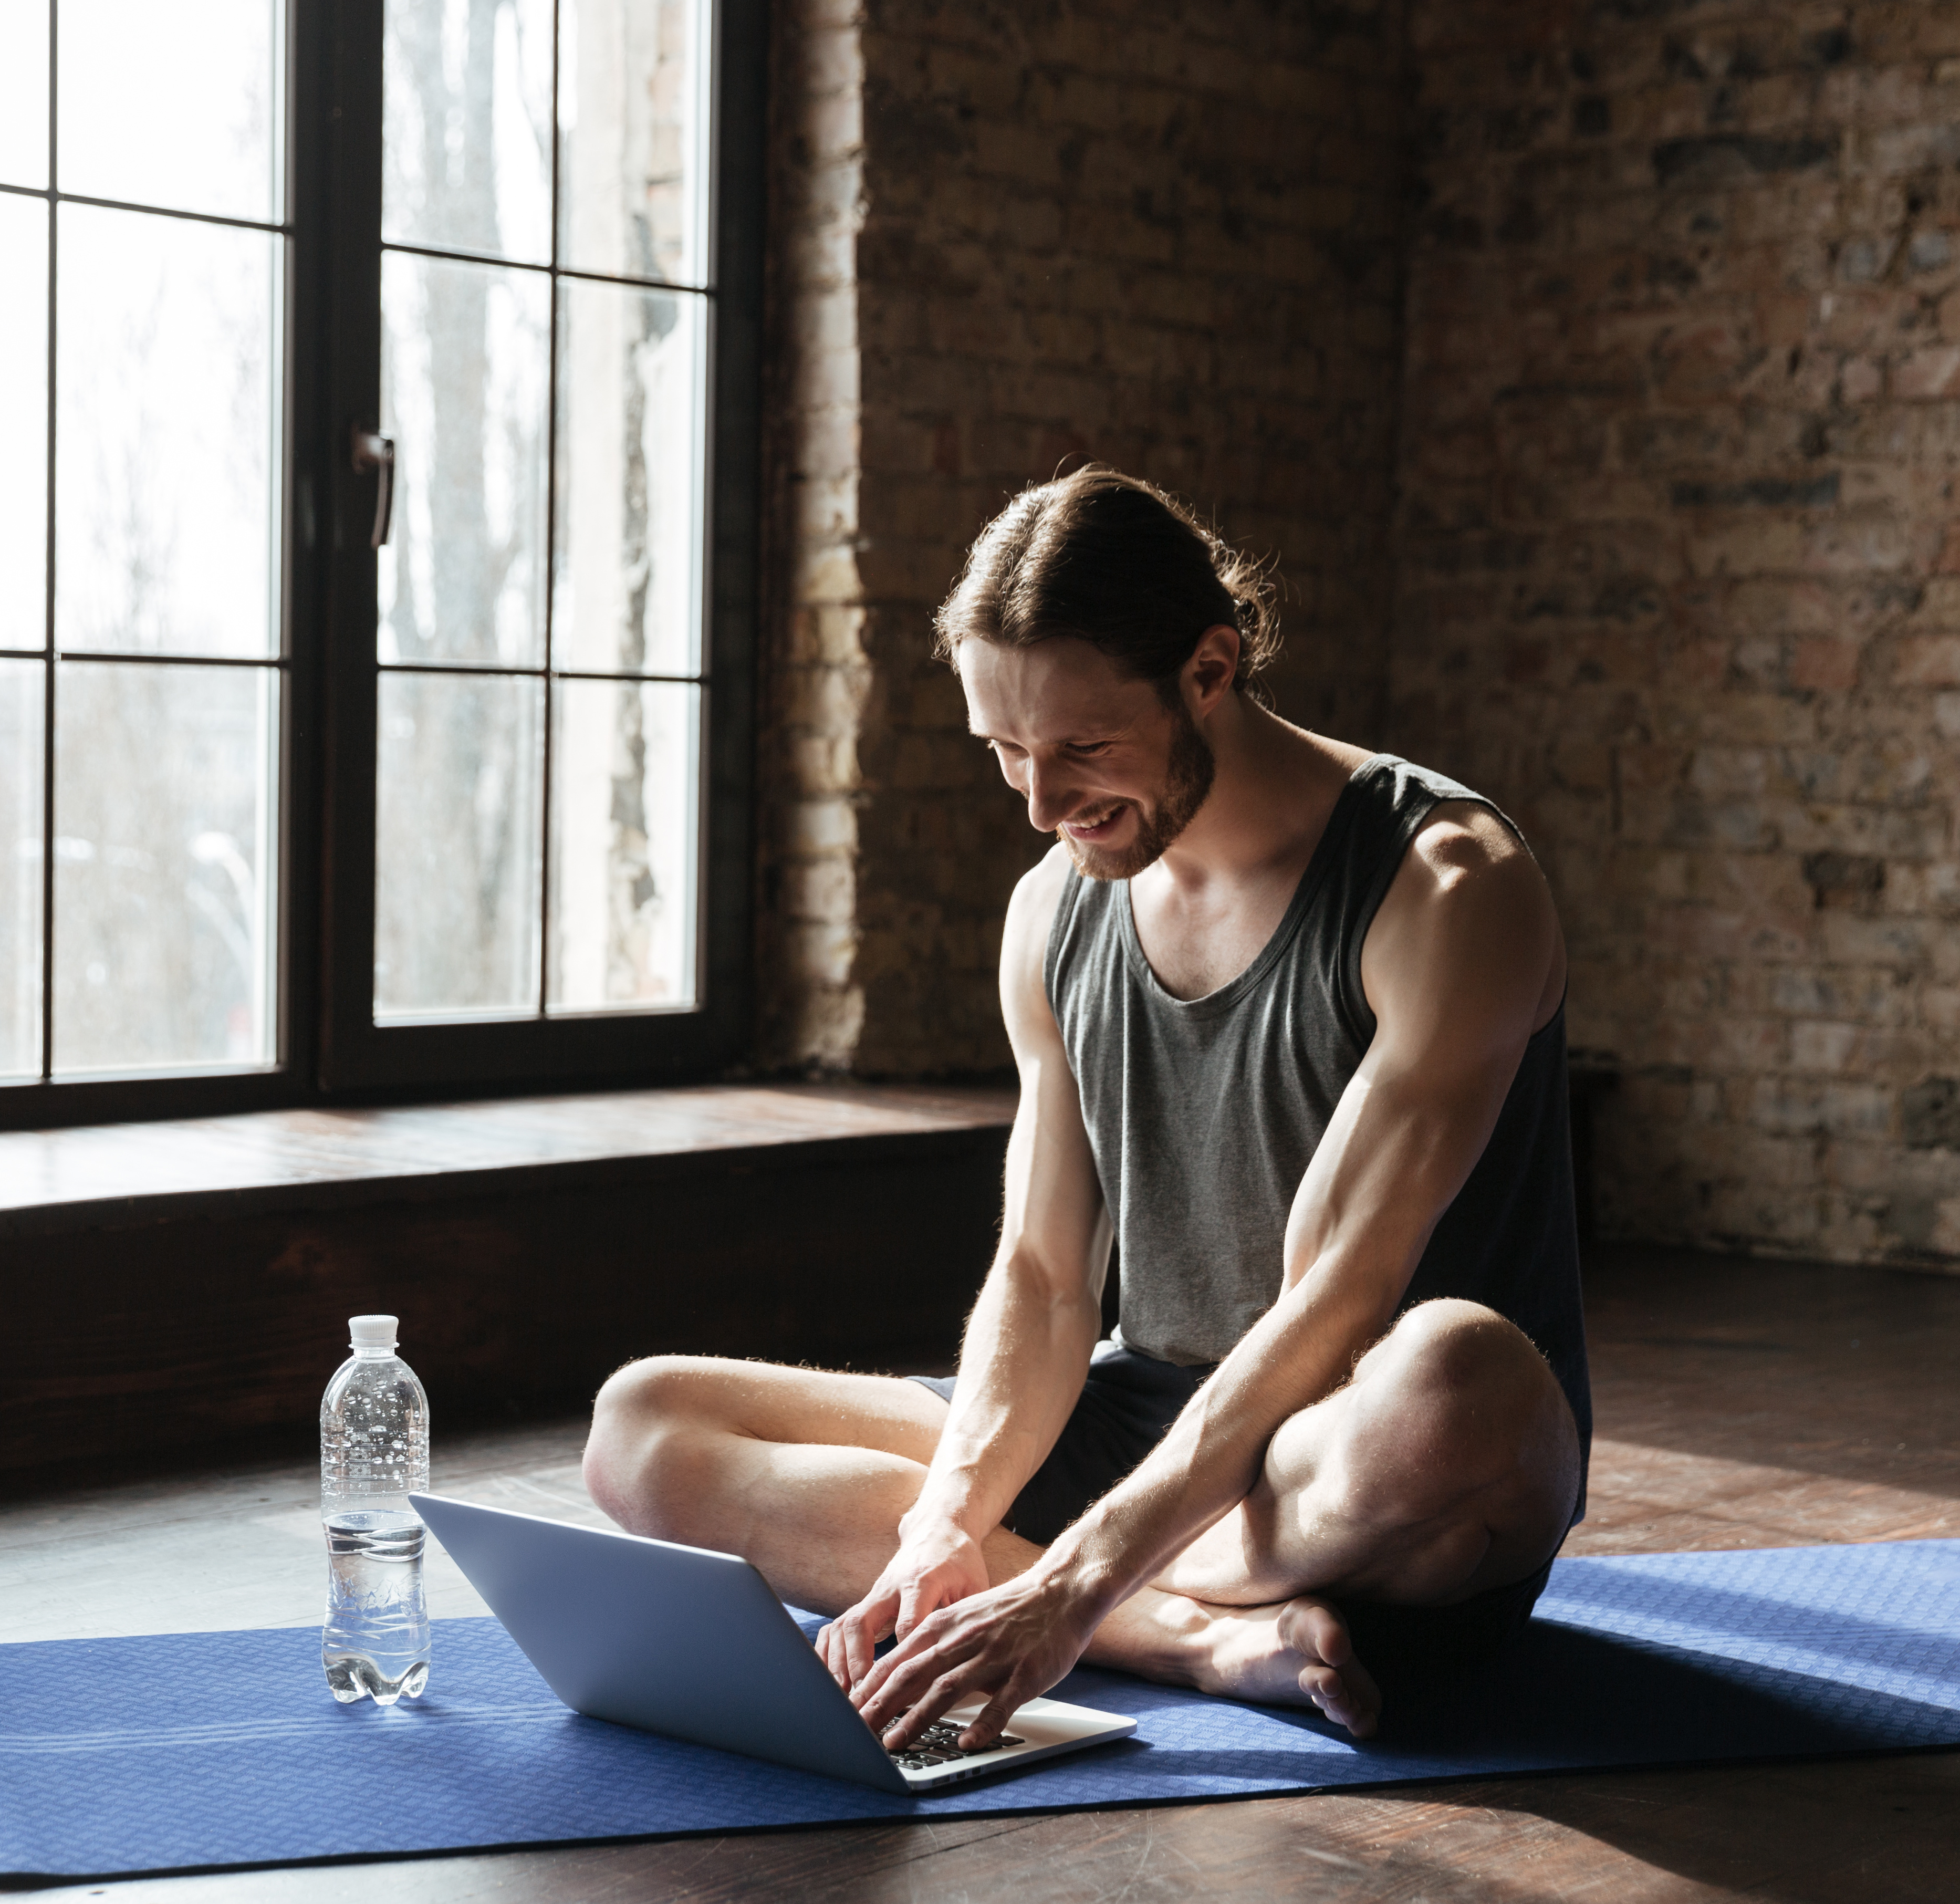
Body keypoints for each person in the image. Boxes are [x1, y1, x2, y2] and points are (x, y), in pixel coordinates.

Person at [583, 466, 1590, 1752]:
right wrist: (944, 1517)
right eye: (1005, 753)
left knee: (1463, 1379)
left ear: (1210, 670)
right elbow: (1050, 1274)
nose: (1043, 806)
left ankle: (1074, 1588)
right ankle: (1197, 1638)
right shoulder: (1053, 912)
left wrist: (1065, 1573)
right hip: (1143, 1425)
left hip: (1350, 1454)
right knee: (643, 1425)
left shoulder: (1447, 886)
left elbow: (1335, 1310)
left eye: (1082, 750)